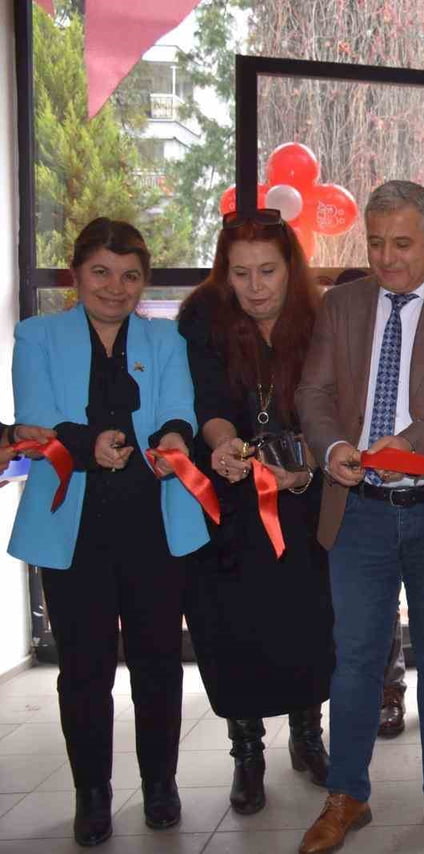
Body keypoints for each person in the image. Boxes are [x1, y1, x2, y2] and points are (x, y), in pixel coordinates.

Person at [295, 181, 424, 851]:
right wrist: (331, 449)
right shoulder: (343, 304)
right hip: (358, 510)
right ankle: (347, 795)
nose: (386, 259)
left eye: (402, 244)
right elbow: (315, 391)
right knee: (355, 659)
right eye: (376, 243)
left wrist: (409, 444)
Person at [8, 218, 209, 847]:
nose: (115, 288)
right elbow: (35, 423)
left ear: (143, 281)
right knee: (85, 670)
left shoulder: (166, 338)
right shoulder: (36, 335)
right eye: (100, 272)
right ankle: (91, 794)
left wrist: (175, 437)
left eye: (129, 276)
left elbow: (180, 412)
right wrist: (87, 445)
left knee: (158, 664)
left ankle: (160, 784)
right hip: (74, 524)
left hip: (154, 521)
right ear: (75, 275)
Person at [177, 210, 334, 816]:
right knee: (232, 626)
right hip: (234, 496)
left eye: (268, 270)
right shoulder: (202, 319)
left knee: (309, 620)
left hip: (304, 493)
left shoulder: (321, 318)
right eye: (240, 273)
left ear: (291, 268)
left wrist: (311, 459)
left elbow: (334, 404)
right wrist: (220, 443)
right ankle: (246, 752)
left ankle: (307, 736)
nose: (256, 286)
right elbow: (207, 402)